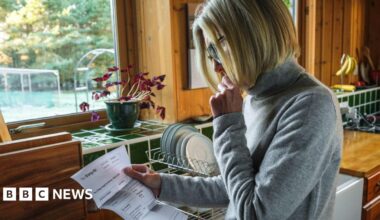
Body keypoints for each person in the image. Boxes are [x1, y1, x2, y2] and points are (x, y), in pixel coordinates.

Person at [124, 0, 343, 219]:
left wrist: (228, 123)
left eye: (218, 50)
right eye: (212, 55)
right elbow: (234, 186)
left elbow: (255, 213)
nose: (217, 68)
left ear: (254, 34)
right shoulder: (251, 99)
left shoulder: (311, 105)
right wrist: (161, 184)